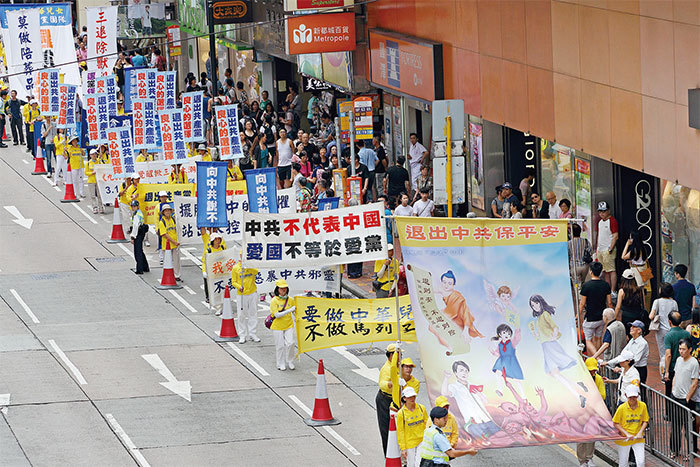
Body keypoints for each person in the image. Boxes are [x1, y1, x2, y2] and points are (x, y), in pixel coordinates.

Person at [670, 339, 698, 459]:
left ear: (690, 349)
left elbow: (695, 382)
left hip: (686, 400)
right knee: (675, 426)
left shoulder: (694, 363)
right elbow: (675, 375)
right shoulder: (678, 360)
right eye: (680, 349)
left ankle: (690, 452)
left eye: (683, 349)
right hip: (675, 397)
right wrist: (673, 390)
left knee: (688, 428)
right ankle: (674, 450)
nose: (681, 351)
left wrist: (687, 398)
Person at [577, 357, 606, 467]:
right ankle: (582, 460)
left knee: (591, 436)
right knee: (580, 438)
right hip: (580, 413)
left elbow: (602, 395)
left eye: (593, 370)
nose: (592, 372)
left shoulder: (598, 379)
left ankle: (589, 458)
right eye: (590, 370)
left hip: (593, 412)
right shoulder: (579, 379)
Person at [579, 261, 612, 355]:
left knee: (588, 340)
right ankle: (596, 359)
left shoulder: (586, 286)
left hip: (590, 318)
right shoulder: (606, 285)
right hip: (602, 318)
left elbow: (582, 304)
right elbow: (609, 302)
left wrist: (578, 315)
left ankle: (595, 359)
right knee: (598, 338)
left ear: (591, 272)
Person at [602, 320, 649, 385]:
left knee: (638, 390)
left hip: (639, 370)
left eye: (633, 327)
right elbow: (623, 355)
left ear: (639, 330)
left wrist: (621, 369)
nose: (631, 328)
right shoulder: (632, 340)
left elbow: (635, 360)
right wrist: (608, 362)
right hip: (629, 367)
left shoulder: (643, 343)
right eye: (631, 326)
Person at [612, 385, 648, 467]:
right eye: (630, 397)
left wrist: (640, 432)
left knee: (641, 462)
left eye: (634, 397)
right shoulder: (621, 408)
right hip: (624, 439)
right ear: (626, 396)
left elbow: (645, 421)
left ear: (637, 396)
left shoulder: (642, 406)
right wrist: (626, 433)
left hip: (638, 438)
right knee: (623, 463)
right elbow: (615, 423)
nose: (632, 399)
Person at [650, 283, 679, 375]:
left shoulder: (657, 301)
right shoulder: (674, 302)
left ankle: (663, 373)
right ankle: (672, 370)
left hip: (661, 330)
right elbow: (677, 316)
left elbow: (651, 316)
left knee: (663, 353)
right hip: (672, 330)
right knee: (673, 351)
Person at [396, 386, 428, 467]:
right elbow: (400, 431)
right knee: (411, 464)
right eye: (409, 397)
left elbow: (427, 425)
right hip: (409, 443)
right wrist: (403, 448)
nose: (412, 398)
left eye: (413, 396)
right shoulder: (401, 414)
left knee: (419, 463)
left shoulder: (421, 408)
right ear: (404, 398)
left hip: (422, 440)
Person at [665, 312, 691, 407]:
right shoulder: (686, 334)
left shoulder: (668, 335)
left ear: (669, 322)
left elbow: (668, 355)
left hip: (672, 367)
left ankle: (669, 413)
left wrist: (666, 371)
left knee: (669, 391)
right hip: (684, 366)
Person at [231, 258, 260, 343]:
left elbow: (256, 271)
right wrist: (239, 287)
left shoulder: (251, 266)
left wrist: (248, 266)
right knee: (241, 315)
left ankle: (253, 333)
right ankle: (242, 335)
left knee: (253, 313)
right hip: (241, 294)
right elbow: (233, 281)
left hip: (252, 292)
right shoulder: (236, 268)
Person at [269, 279, 296, 371]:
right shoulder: (274, 301)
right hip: (277, 326)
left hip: (288, 325)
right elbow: (277, 315)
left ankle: (290, 361)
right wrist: (289, 310)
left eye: (285, 288)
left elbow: (295, 312)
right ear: (277, 289)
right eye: (281, 289)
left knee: (291, 343)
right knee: (280, 346)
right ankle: (280, 363)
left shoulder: (290, 300)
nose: (283, 290)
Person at [376, 343, 397, 455]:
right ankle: (389, 455)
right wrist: (389, 384)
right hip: (385, 399)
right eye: (398, 354)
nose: (400, 356)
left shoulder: (398, 366)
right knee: (386, 428)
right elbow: (382, 383)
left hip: (396, 400)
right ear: (391, 355)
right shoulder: (386, 368)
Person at [595, 201, 618, 291]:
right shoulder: (600, 222)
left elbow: (615, 236)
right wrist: (597, 248)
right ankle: (608, 289)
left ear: (608, 210)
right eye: (600, 212)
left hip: (608, 249)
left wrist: (610, 248)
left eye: (603, 211)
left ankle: (613, 290)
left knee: (611, 270)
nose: (601, 214)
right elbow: (599, 235)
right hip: (600, 249)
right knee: (605, 271)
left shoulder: (612, 221)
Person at [615, 269, 646, 335]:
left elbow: (618, 307)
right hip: (638, 315)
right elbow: (644, 304)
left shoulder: (622, 291)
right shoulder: (640, 290)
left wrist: (614, 318)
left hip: (626, 316)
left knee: (627, 334)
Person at [621, 231, 650, 295]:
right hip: (644, 269)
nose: (629, 240)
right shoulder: (643, 248)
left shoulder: (634, 250)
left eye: (630, 238)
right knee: (642, 289)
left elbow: (623, 257)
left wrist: (627, 244)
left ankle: (639, 303)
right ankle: (644, 304)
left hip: (636, 270)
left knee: (637, 289)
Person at [158, 204, 181, 281]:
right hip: (167, 245)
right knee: (167, 261)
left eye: (169, 210)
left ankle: (176, 275)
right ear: (163, 212)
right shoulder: (162, 222)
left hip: (175, 245)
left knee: (176, 261)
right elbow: (164, 234)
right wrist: (174, 241)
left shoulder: (173, 219)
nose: (167, 212)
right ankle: (168, 275)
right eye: (166, 210)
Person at [129, 200, 149, 274]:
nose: (133, 208)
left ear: (138, 206)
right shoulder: (138, 213)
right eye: (132, 206)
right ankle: (145, 267)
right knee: (140, 251)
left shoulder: (137, 215)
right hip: (141, 232)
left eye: (134, 206)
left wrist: (133, 237)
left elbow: (135, 226)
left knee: (138, 252)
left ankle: (139, 269)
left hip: (138, 233)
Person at [673, 264, 697, 328]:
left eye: (675, 273)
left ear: (678, 274)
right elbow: (694, 305)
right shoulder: (691, 286)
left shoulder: (673, 287)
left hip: (677, 318)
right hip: (689, 318)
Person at [85, 149, 103, 214]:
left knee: (99, 195)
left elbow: (102, 169)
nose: (94, 155)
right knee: (92, 195)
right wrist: (91, 173)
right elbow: (86, 173)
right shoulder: (88, 163)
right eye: (92, 154)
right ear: (90, 155)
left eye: (95, 154)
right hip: (91, 181)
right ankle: (94, 208)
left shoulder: (99, 162)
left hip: (98, 181)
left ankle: (101, 207)